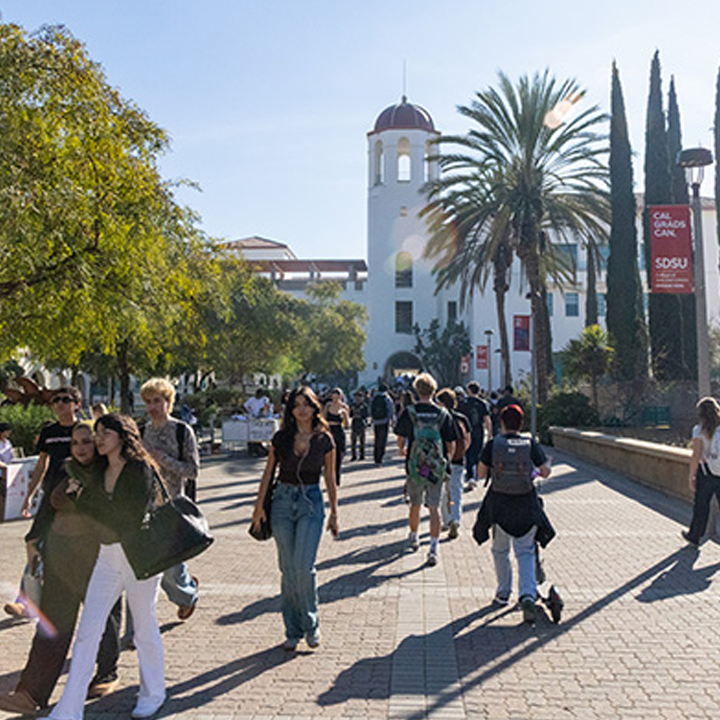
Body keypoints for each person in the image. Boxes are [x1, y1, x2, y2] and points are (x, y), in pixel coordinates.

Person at [48, 413, 166, 720]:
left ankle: (153, 694)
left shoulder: (140, 469)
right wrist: (88, 500)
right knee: (88, 632)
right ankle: (68, 709)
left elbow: (126, 518)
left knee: (143, 628)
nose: (98, 439)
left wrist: (87, 499)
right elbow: (86, 509)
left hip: (140, 558)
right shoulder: (99, 470)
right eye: (97, 433)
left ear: (122, 436)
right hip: (108, 556)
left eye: (105, 433)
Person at [0, 423, 121, 716]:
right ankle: (30, 694)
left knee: (104, 620)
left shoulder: (108, 472)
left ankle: (106, 674)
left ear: (99, 444)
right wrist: (33, 539)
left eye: (88, 442)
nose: (81, 448)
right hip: (60, 556)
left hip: (98, 558)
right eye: (76, 442)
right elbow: (46, 509)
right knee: (51, 626)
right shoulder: (65, 468)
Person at [250, 387, 339, 651]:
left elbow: (331, 478)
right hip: (282, 503)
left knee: (304, 567)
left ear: (315, 408)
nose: (302, 409)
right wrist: (258, 507)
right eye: (297, 405)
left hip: (311, 502)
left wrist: (335, 511)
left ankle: (311, 625)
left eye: (307, 404)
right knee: (288, 569)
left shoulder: (325, 439)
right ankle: (293, 629)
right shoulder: (281, 438)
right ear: (290, 410)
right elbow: (268, 473)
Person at [5, 387, 81, 620]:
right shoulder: (49, 431)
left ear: (77, 404)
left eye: (66, 400)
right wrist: (29, 494)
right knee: (34, 541)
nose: (60, 404)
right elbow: (41, 465)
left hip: (77, 501)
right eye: (56, 400)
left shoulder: (84, 430)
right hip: (50, 497)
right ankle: (25, 602)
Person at [476, 404, 552, 623]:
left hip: (499, 504)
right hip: (525, 504)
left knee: (500, 549)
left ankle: (503, 592)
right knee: (525, 551)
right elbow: (545, 472)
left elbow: (481, 473)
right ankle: (527, 595)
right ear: (521, 423)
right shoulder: (530, 444)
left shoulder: (493, 444)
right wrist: (540, 467)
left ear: (501, 422)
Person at [140, 378, 200, 621]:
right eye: (149, 402)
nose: (153, 406)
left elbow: (193, 470)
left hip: (173, 505)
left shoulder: (181, 431)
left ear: (168, 402)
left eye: (158, 401)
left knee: (170, 567)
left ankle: (187, 594)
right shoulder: (141, 432)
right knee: (153, 565)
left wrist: (163, 459)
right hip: (145, 506)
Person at [394, 373, 456, 566]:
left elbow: (400, 438)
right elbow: (451, 442)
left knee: (415, 504)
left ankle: (413, 536)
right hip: (436, 468)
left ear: (416, 390)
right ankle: (433, 548)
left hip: (415, 467)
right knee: (434, 508)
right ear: (434, 391)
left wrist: (403, 450)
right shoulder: (442, 414)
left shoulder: (410, 411)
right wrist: (446, 460)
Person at [681, 397, 720, 547]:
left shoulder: (699, 430)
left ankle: (695, 535)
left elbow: (696, 455)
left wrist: (692, 475)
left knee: (701, 506)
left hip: (706, 472)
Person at [436, 389, 471, 539]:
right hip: (458, 459)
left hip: (442, 459)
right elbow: (468, 439)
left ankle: (446, 520)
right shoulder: (462, 418)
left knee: (443, 491)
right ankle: (455, 518)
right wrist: (461, 452)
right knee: (456, 491)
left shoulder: (439, 418)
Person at [459, 382, 493, 491]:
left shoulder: (463, 403)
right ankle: (476, 474)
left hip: (466, 432)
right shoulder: (482, 403)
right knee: (478, 452)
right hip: (479, 431)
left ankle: (470, 476)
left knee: (468, 454)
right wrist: (490, 433)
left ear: (469, 390)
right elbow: (487, 419)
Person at [324, 388, 349, 485]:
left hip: (339, 431)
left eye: (337, 395)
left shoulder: (344, 407)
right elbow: (323, 418)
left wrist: (344, 415)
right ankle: (329, 478)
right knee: (328, 456)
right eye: (333, 395)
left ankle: (336, 479)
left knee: (338, 456)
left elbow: (346, 425)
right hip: (329, 430)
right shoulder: (328, 406)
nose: (335, 398)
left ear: (341, 396)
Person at [370, 383, 395, 465]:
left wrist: (372, 418)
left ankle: (376, 456)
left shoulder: (374, 398)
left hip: (376, 421)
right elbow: (391, 410)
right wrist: (392, 420)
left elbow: (370, 409)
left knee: (377, 438)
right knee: (383, 439)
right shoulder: (387, 398)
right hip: (385, 421)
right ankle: (380, 456)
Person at [244, 388, 272, 457]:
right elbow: (245, 406)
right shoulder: (251, 399)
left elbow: (267, 407)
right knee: (252, 434)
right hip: (253, 418)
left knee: (259, 434)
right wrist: (249, 412)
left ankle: (258, 448)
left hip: (262, 418)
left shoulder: (265, 399)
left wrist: (263, 411)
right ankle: (252, 449)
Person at [349, 390, 368, 461]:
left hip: (361, 422)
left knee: (362, 440)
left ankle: (362, 455)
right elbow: (350, 415)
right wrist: (352, 411)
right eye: (356, 397)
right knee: (353, 440)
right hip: (355, 422)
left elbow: (366, 415)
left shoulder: (364, 405)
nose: (357, 398)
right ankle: (353, 455)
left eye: (359, 397)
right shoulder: (352, 405)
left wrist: (360, 412)